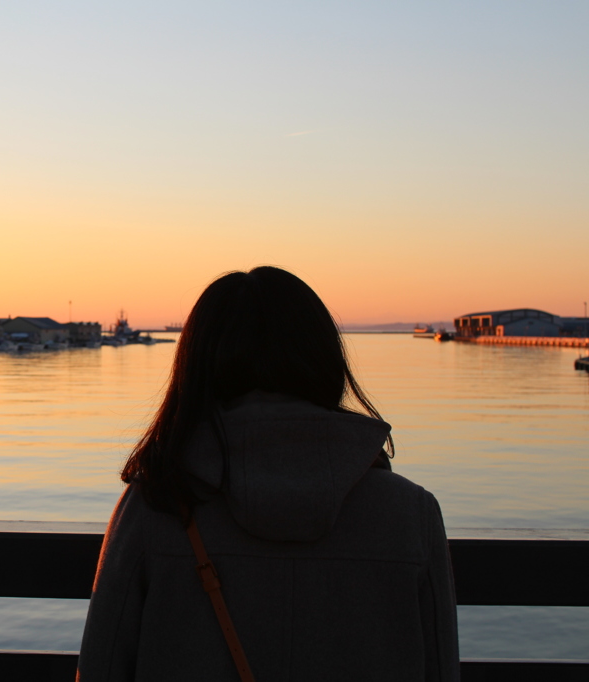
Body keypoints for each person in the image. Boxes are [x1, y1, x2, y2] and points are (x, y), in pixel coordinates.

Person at [77, 268, 459, 681]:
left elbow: (103, 664)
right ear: (324, 357)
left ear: (196, 366)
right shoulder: (410, 513)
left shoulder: (157, 504)